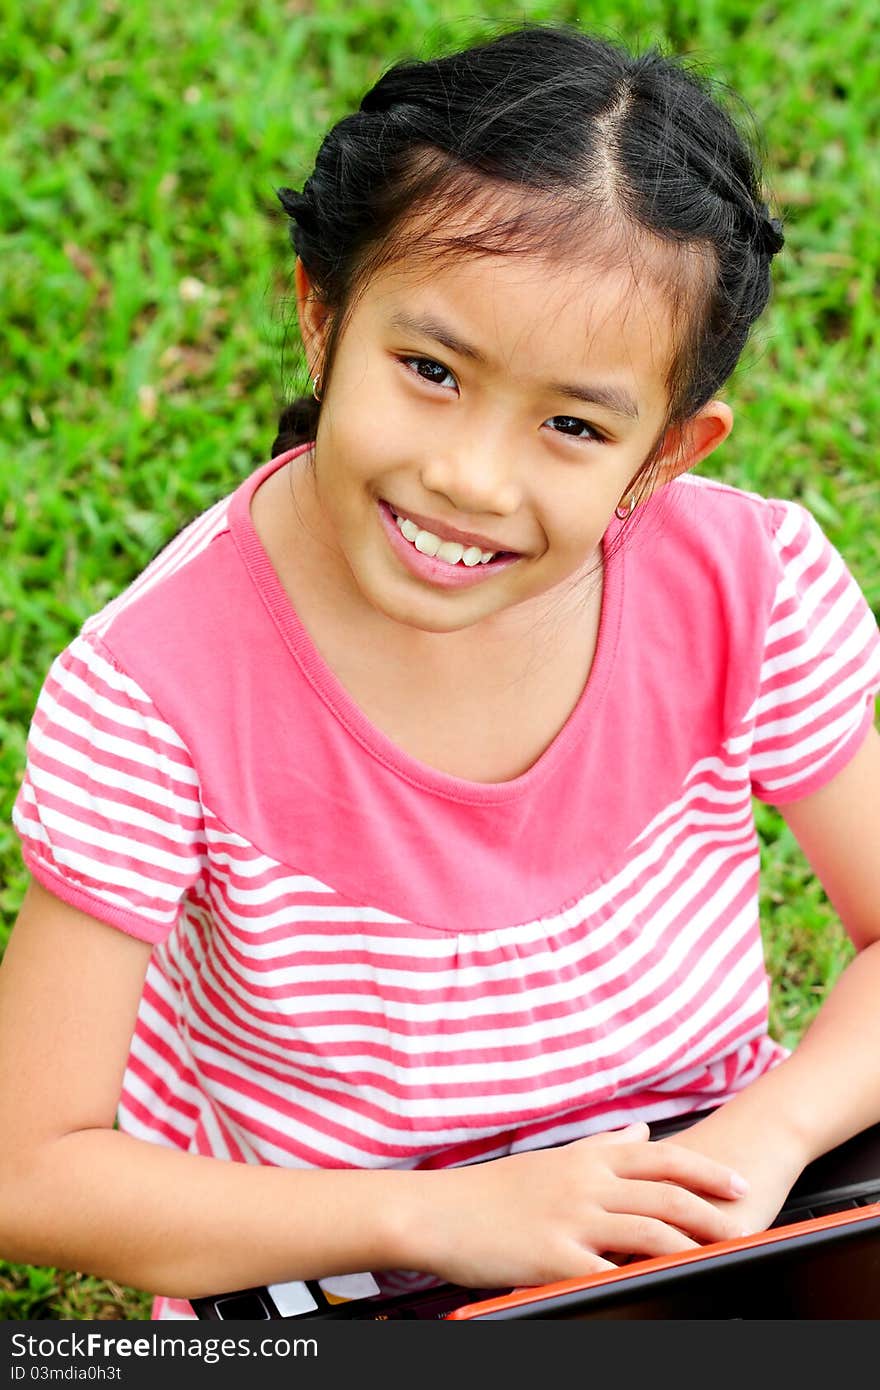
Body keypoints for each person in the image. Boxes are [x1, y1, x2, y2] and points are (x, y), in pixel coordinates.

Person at [1, 23, 878, 1324]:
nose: (471, 475)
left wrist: (759, 1139)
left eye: (574, 424)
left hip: (702, 1212)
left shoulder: (747, 583)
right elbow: (31, 1169)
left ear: (668, 452)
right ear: (320, 315)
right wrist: (441, 1218)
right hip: (337, 1275)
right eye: (431, 370)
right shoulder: (151, 694)